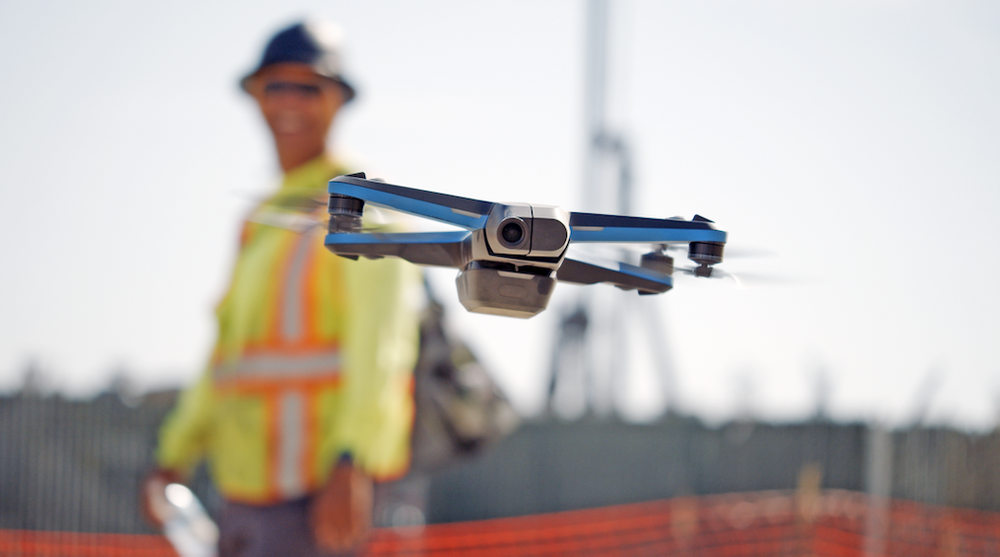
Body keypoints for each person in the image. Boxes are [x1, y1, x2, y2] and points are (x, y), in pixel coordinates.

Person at [142, 19, 421, 556]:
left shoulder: (366, 208)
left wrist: (353, 464)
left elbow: (382, 347)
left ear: (338, 99)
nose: (290, 102)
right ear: (257, 97)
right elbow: (229, 356)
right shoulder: (264, 217)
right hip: (244, 496)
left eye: (308, 87)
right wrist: (173, 454)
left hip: (317, 500)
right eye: (276, 86)